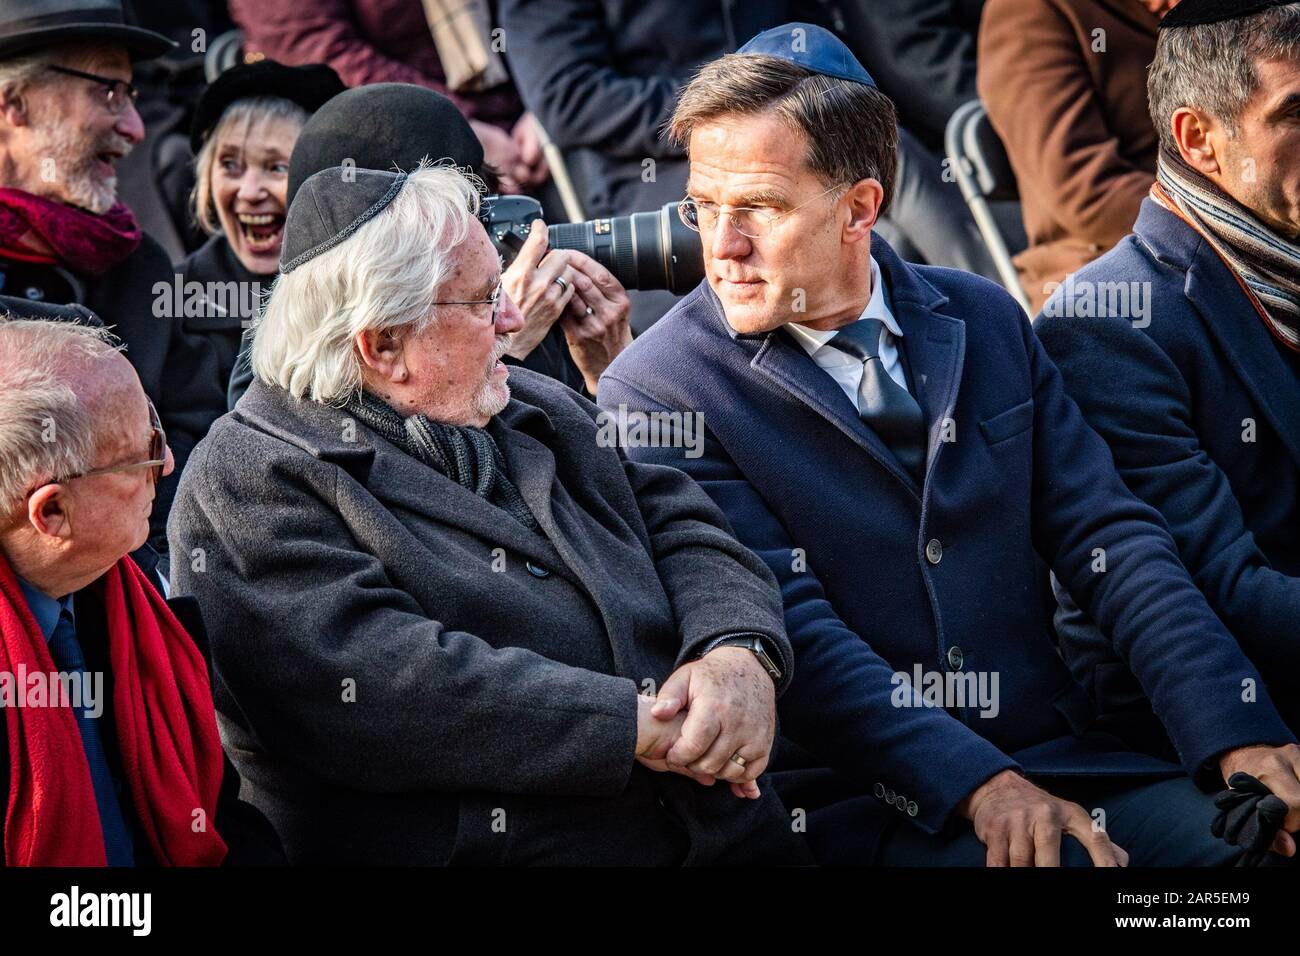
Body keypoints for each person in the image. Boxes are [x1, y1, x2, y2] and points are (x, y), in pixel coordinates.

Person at [598, 23, 1300, 866]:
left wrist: (1236, 728)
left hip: (1064, 756)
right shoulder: (656, 388)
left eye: (759, 209)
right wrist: (980, 787)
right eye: (704, 208)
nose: (722, 248)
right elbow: (800, 636)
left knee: (1261, 846)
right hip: (862, 806)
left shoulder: (983, 314)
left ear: (860, 207)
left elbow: (1111, 538)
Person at [168, 162, 816, 866]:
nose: (513, 317)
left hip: (726, 833)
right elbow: (385, 688)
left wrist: (737, 654)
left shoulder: (528, 403)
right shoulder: (249, 479)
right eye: (483, 299)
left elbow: (684, 524)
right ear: (382, 344)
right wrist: (638, 728)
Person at [1037, 1, 1300, 737]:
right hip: (1232, 729)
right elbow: (1223, 591)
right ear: (1199, 140)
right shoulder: (1106, 324)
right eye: (1296, 114)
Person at [498, 1, 1001, 334]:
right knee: (839, 222)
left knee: (893, 158)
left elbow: (814, 27)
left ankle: (982, 322)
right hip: (663, 160)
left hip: (802, 119)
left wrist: (810, 104)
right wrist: (734, 112)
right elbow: (568, 98)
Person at [0, 315, 282, 866]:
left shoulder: (142, 608)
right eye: (144, 455)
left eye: (156, 429)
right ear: (52, 513)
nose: (169, 462)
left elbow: (222, 820)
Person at [226, 82, 628, 408]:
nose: (511, 317)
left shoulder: (541, 290)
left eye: (477, 214)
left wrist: (613, 373)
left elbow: (624, 494)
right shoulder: (277, 377)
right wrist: (501, 346)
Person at [0, 0, 226, 554]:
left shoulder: (139, 266)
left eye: (131, 94)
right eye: (108, 92)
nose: (134, 127)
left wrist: (139, 560)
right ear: (13, 104)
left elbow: (197, 437)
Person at [228, 0, 547, 196]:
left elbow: (548, 18)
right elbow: (316, 49)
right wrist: (459, 127)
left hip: (530, 118)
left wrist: (543, 101)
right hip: (395, 148)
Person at [979, 0, 1175, 311]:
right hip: (1104, 260)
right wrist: (1216, 219)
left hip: (1213, 231)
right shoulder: (1028, 11)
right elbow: (1085, 191)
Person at [177, 60, 344, 422]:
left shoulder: (359, 293)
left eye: (277, 168)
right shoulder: (174, 303)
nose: (250, 192)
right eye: (230, 165)